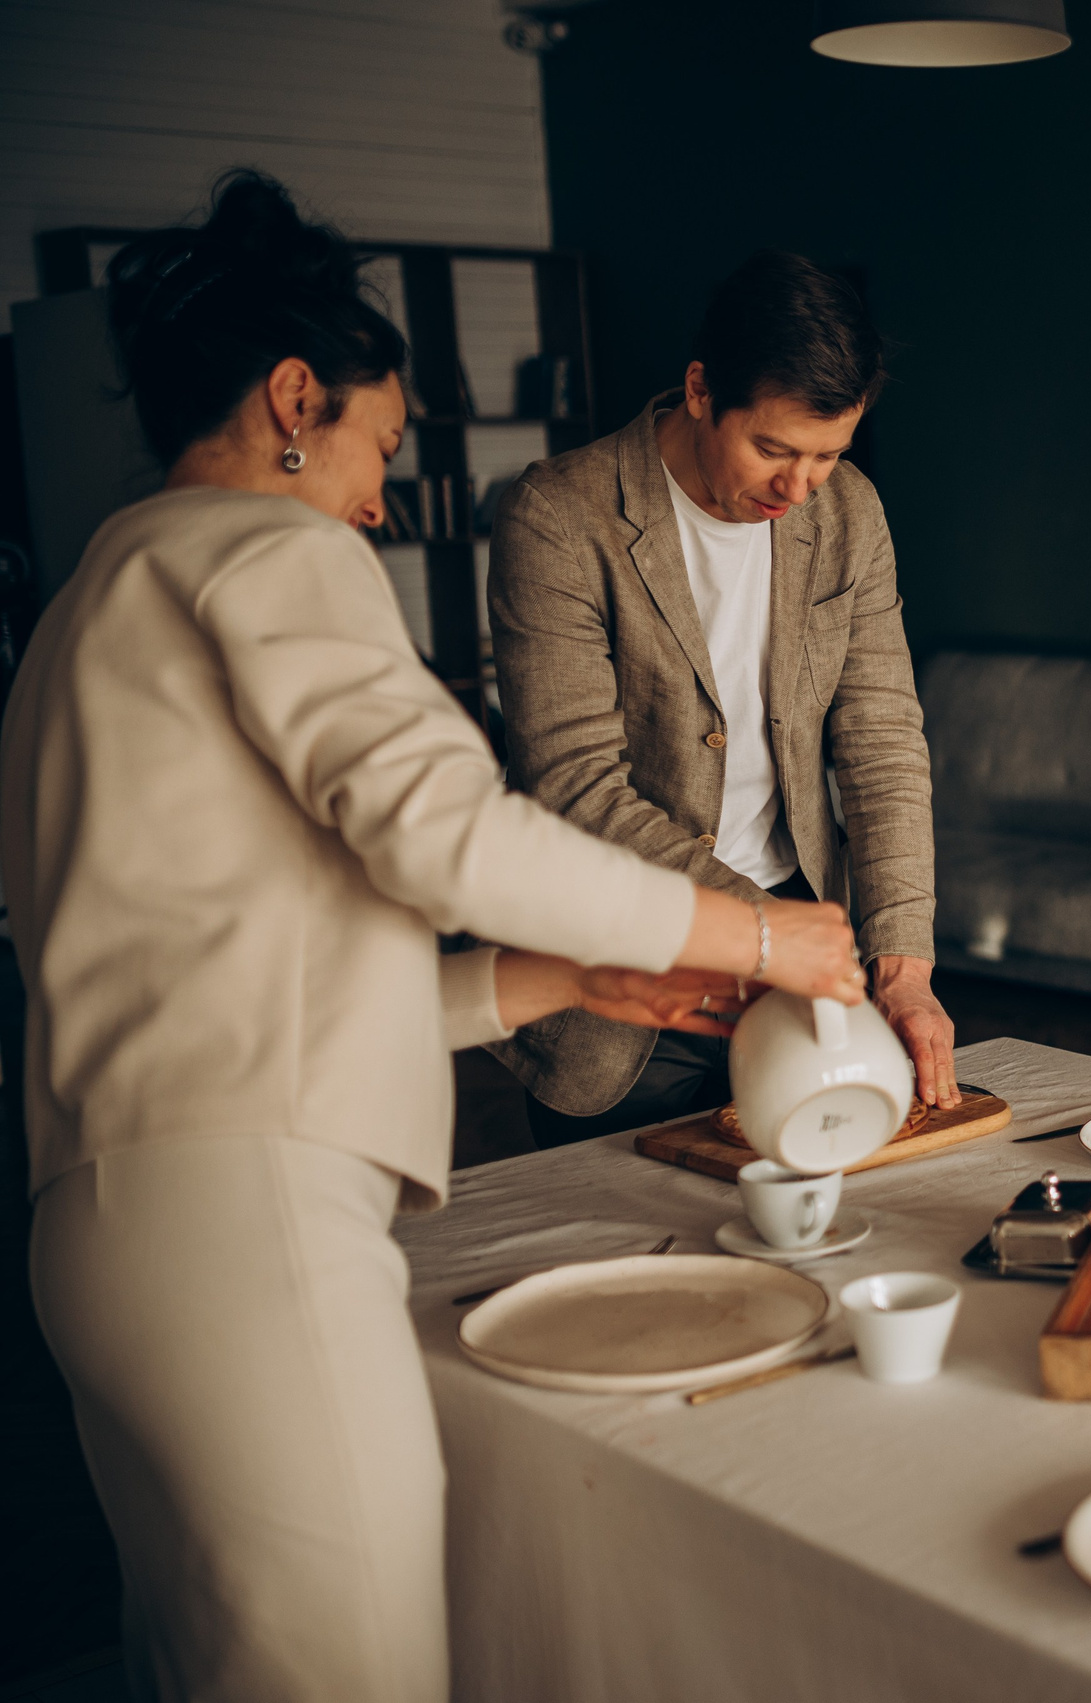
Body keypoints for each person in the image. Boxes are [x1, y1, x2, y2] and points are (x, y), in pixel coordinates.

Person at [1, 173, 869, 1702]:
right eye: (376, 447)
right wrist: (753, 936)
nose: (378, 499)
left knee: (201, 1666)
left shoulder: (82, 609)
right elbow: (448, 829)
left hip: (94, 1233)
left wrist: (548, 980)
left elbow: (251, 969)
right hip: (248, 1223)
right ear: (293, 396)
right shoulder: (266, 555)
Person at [485, 251, 955, 1147]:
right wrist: (765, 934)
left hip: (801, 949)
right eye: (773, 448)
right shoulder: (556, 517)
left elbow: (883, 738)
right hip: (621, 980)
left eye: (827, 455)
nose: (798, 487)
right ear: (700, 389)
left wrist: (903, 964)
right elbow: (575, 785)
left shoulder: (849, 514)